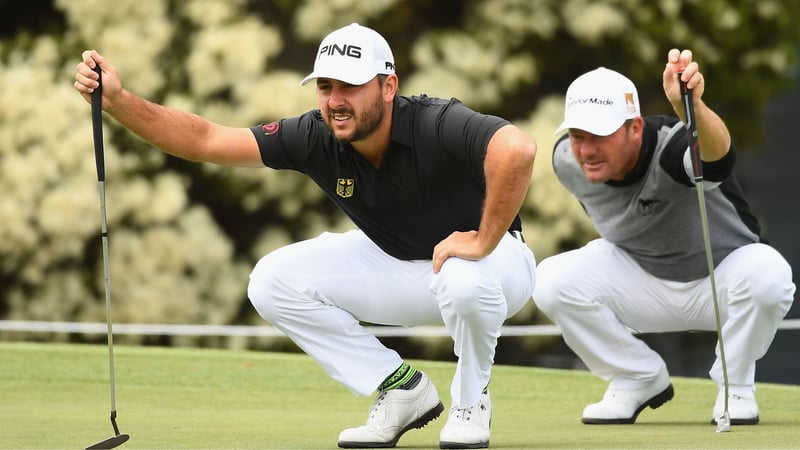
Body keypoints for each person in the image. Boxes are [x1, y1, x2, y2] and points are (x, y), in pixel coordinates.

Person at [74, 23, 537, 448]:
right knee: (272, 279)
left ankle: (471, 399)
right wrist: (118, 101)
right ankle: (402, 391)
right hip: (402, 267)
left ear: (388, 85)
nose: (335, 100)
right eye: (326, 86)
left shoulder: (435, 122)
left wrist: (481, 240)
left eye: (351, 86)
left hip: (496, 270)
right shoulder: (316, 135)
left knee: (462, 276)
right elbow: (207, 140)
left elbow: (516, 148)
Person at [533, 48, 795, 426]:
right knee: (550, 280)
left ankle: (735, 384)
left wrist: (691, 109)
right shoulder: (566, 162)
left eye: (600, 136)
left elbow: (718, 159)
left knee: (770, 274)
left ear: (634, 128)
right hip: (643, 284)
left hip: (723, 284)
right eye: (577, 136)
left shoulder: (672, 148)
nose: (586, 151)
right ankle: (636, 378)